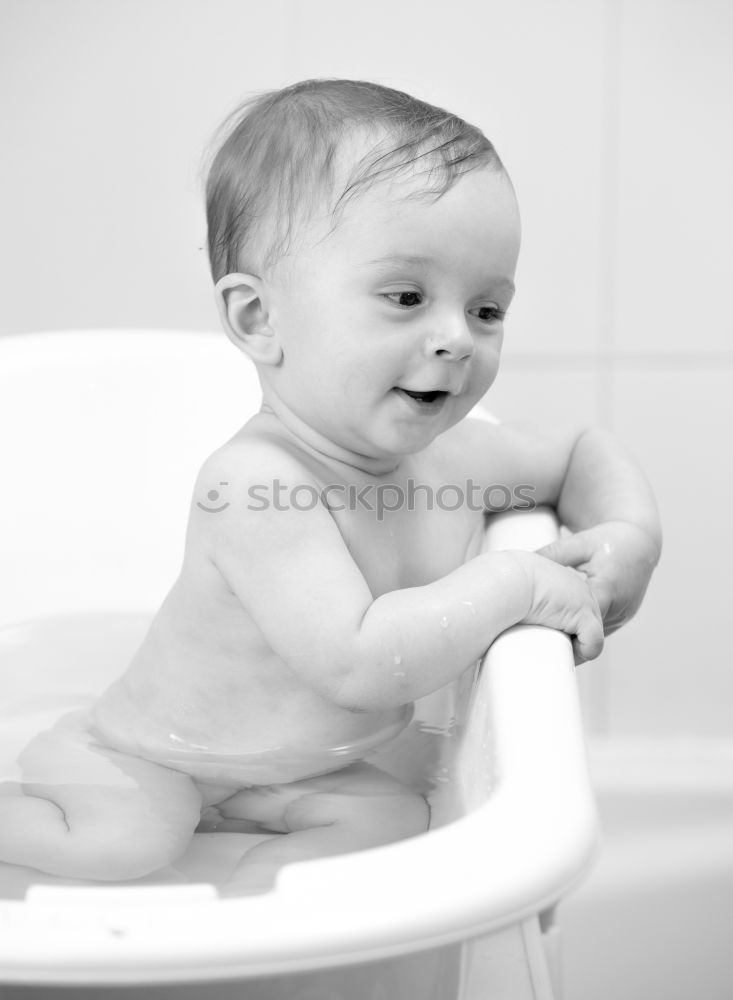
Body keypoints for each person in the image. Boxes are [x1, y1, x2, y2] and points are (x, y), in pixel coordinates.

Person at [0, 79, 661, 893]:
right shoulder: (252, 486)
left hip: (295, 772)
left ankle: (251, 930)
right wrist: (519, 578)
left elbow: (579, 450)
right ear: (258, 321)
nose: (455, 337)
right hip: (150, 754)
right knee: (124, 841)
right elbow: (359, 662)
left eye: (487, 309)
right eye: (406, 297)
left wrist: (629, 536)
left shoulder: (454, 462)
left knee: (389, 821)